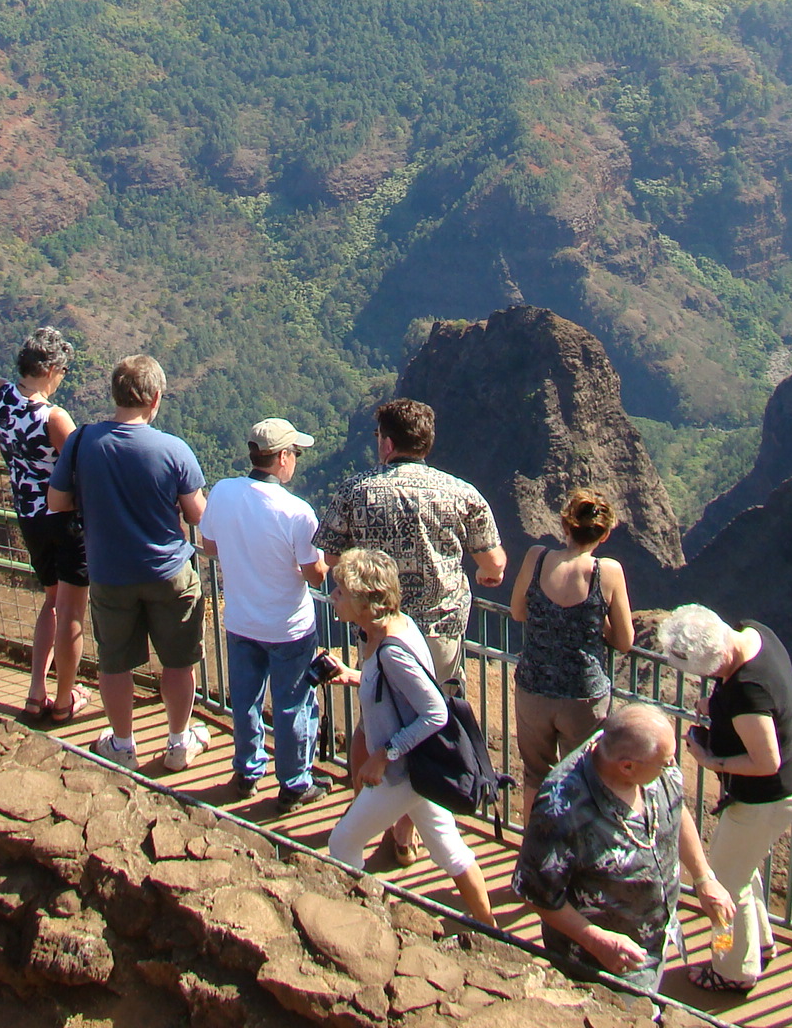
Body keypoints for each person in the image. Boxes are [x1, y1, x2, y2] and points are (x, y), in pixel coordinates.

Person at [321, 397, 506, 864]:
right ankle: (404, 838)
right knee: (427, 723)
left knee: (376, 720)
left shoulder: (354, 491)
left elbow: (327, 559)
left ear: (386, 442)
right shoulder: (461, 494)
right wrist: (482, 576)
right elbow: (494, 564)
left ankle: (362, 815)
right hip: (438, 635)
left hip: (379, 630)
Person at [47, 354, 208, 772]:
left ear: (115, 394)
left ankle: (122, 744)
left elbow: (57, 501)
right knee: (178, 661)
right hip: (168, 571)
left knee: (114, 662)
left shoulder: (83, 442)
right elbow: (197, 515)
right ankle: (177, 744)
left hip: (109, 572)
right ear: (155, 398)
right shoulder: (173, 449)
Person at [325, 547, 496, 925]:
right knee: (449, 850)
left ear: (364, 602)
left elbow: (434, 711)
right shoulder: (395, 627)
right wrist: (353, 676)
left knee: (343, 842)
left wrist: (382, 755)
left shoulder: (391, 652)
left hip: (400, 773)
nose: (333, 597)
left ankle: (359, 924)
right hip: (419, 769)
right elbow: (399, 691)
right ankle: (489, 927)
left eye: (341, 592)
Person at [513, 702, 734, 993]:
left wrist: (704, 877)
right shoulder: (562, 810)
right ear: (627, 766)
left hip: (653, 943)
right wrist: (597, 941)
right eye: (666, 762)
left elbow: (675, 809)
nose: (672, 767)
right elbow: (534, 893)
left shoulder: (653, 762)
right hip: (599, 967)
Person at [659, 604, 792, 994]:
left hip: (765, 799)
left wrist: (710, 759)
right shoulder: (752, 632)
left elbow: (766, 762)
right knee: (741, 871)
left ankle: (732, 969)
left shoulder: (747, 691)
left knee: (724, 885)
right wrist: (716, 708)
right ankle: (759, 944)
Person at [200, 417, 330, 809]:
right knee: (293, 705)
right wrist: (329, 562)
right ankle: (294, 783)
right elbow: (314, 577)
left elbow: (209, 546)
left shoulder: (222, 492)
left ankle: (247, 771)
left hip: (241, 619)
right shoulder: (298, 512)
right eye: (296, 454)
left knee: (245, 699)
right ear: (283, 458)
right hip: (288, 627)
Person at [0, 326, 83, 721]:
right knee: (70, 611)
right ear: (50, 369)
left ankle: (36, 692)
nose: (63, 378)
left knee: (50, 602)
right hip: (65, 522)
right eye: (63, 371)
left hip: (29, 518)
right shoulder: (54, 417)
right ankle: (65, 701)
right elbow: (79, 473)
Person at [510, 487, 633, 823]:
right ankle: (577, 856)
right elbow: (624, 640)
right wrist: (595, 626)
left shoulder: (536, 558)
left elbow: (518, 611)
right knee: (585, 776)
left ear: (565, 525)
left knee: (536, 775)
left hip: (533, 688)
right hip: (583, 695)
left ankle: (534, 850)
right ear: (604, 534)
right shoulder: (607, 572)